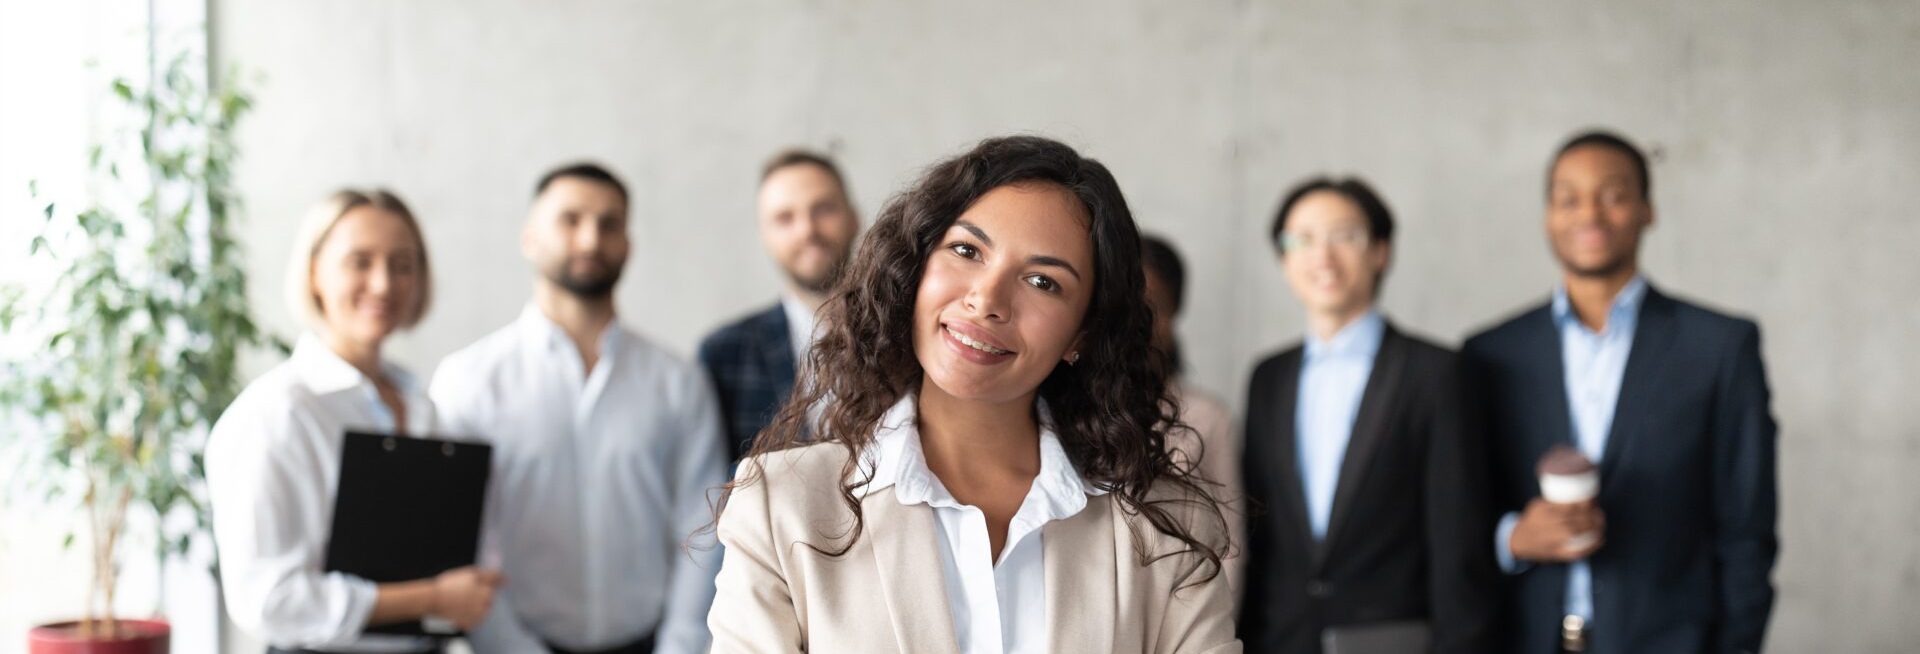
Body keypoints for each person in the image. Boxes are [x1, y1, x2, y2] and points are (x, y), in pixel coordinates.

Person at [707, 135, 1240, 653]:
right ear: (916, 268)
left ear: (1082, 335)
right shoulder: (780, 506)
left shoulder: (1169, 529)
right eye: (967, 250)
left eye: (1043, 282)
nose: (986, 300)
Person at [1464, 130, 1778, 654]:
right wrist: (1512, 539)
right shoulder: (1490, 354)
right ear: (1547, 216)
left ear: (1647, 210)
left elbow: (1747, 529)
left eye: (1612, 194)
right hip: (1521, 637)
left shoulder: (1719, 347)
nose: (1589, 213)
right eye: (1568, 198)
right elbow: (1457, 514)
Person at [430, 163, 728, 654]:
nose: (591, 239)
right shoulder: (467, 381)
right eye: (570, 220)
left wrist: (681, 645)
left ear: (628, 245)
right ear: (529, 238)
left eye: (609, 224)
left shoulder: (677, 381)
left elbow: (702, 527)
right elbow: (462, 536)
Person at [207, 190, 499, 653]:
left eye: (402, 265)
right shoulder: (276, 414)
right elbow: (268, 602)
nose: (383, 284)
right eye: (359, 262)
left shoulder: (424, 406)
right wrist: (432, 598)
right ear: (314, 272)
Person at [1236, 177, 1498, 653]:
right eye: (1303, 240)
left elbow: (1459, 541)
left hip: (1394, 640)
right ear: (1283, 259)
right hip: (1281, 640)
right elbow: (1259, 529)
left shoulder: (1437, 373)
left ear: (1381, 251)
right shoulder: (1268, 377)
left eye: (1345, 236)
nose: (1323, 255)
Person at [699, 149, 861, 460]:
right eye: (785, 218)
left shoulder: (906, 334)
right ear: (766, 236)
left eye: (823, 209)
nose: (807, 231)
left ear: (854, 218)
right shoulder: (725, 354)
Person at [1139, 234, 1244, 595]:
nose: (1138, 325)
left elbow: (1228, 545)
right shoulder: (1057, 412)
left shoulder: (1207, 417)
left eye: (1154, 309)